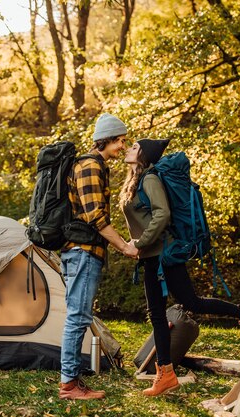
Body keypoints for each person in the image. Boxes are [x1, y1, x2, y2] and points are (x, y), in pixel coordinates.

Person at [120, 138, 240, 397]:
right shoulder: (135, 181)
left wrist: (142, 243)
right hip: (152, 256)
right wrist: (135, 242)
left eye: (134, 147)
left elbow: (163, 214)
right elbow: (144, 218)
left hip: (164, 255)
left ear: (144, 154)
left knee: (181, 306)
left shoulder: (149, 179)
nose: (128, 148)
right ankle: (166, 374)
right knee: (168, 310)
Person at [58, 113, 139, 400]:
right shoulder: (90, 166)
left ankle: (71, 380)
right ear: (108, 139)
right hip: (82, 252)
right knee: (78, 317)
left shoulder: (94, 165)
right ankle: (69, 384)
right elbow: (96, 218)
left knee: (77, 315)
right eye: (121, 140)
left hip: (80, 252)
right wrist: (124, 247)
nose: (122, 146)